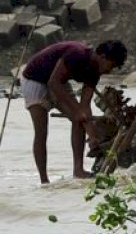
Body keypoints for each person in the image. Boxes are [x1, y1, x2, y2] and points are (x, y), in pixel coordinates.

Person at [20, 40, 128, 184]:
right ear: (102, 56)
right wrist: (78, 111)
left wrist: (91, 132)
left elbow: (85, 106)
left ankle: (78, 170)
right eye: (111, 65)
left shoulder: (94, 73)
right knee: (41, 131)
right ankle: (44, 180)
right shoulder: (77, 54)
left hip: (59, 82)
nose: (110, 70)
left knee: (79, 120)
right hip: (35, 79)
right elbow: (53, 82)